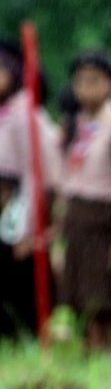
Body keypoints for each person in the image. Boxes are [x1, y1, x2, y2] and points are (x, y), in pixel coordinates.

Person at [58, 51, 111, 351]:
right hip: (78, 217)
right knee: (82, 297)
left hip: (105, 218)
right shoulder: (74, 126)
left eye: (94, 81)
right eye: (80, 82)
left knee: (107, 297)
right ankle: (89, 355)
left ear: (110, 85)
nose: (86, 89)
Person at [0, 41, 62, 339]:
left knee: (21, 274)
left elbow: (34, 174)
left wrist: (27, 226)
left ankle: (26, 334)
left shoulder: (25, 114)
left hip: (17, 202)